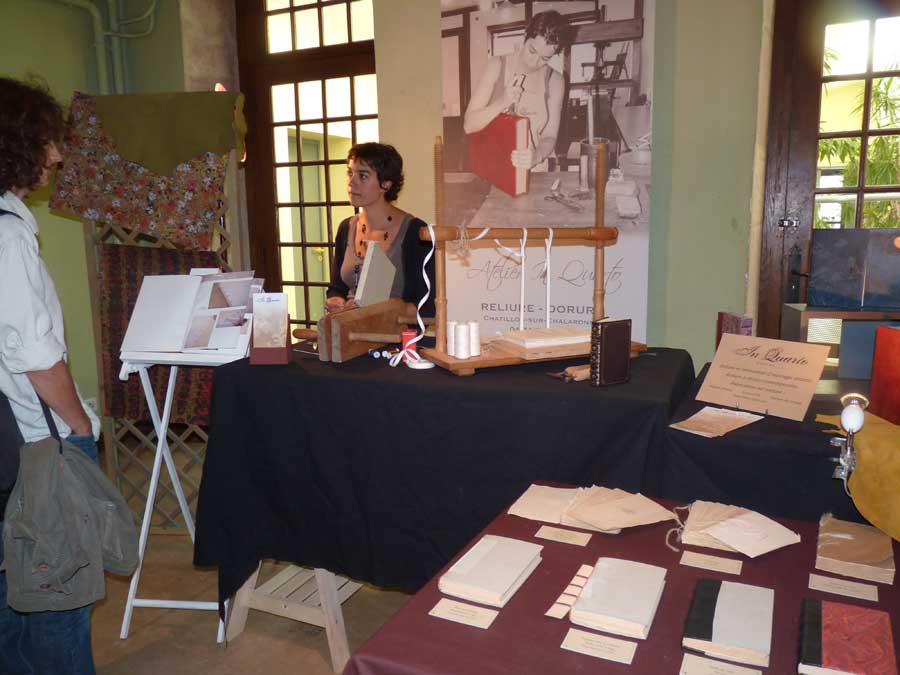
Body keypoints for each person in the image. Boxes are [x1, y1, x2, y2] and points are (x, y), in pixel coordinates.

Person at [0, 76, 101, 674]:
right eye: (46, 141)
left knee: (11, 587)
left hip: (6, 443)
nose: (58, 155)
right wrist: (79, 425)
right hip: (34, 439)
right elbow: (36, 356)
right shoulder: (8, 234)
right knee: (60, 589)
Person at [326, 142, 435, 317]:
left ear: (386, 184)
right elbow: (337, 287)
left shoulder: (416, 232)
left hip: (395, 332)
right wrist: (336, 300)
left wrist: (374, 310)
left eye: (363, 176)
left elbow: (427, 307)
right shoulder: (346, 227)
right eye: (350, 173)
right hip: (348, 329)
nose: (351, 182)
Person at [463, 10, 572, 171]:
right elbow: (469, 125)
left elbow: (550, 136)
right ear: (525, 37)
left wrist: (536, 156)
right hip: (497, 170)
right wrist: (503, 102)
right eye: (532, 51)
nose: (534, 62)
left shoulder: (555, 81)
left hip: (536, 170)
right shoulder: (496, 65)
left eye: (545, 58)